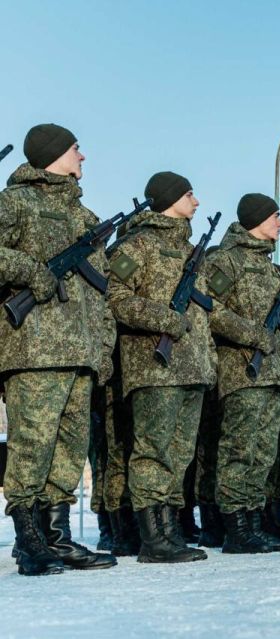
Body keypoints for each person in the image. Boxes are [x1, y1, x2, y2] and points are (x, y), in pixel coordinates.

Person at [0, 124, 117, 575]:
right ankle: (29, 542)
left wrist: (102, 348)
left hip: (81, 352)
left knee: (69, 450)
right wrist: (31, 270)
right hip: (34, 349)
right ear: (52, 153)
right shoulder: (15, 202)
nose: (82, 157)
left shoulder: (84, 217)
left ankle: (57, 537)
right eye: (75, 149)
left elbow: (101, 292)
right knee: (33, 446)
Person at [107, 171, 216, 562]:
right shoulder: (138, 246)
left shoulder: (193, 253)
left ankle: (170, 531)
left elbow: (204, 315)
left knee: (180, 455)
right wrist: (164, 319)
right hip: (155, 367)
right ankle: (153, 539)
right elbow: (114, 297)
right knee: (153, 452)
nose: (197, 202)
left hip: (193, 369)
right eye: (190, 194)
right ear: (171, 198)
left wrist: (210, 362)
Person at [204, 193, 280, 553]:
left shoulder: (273, 269)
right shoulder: (225, 261)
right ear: (257, 220)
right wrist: (253, 334)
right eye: (275, 216)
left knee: (263, 454)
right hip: (243, 371)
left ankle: (253, 522)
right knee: (240, 450)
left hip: (274, 374)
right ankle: (236, 528)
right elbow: (212, 309)